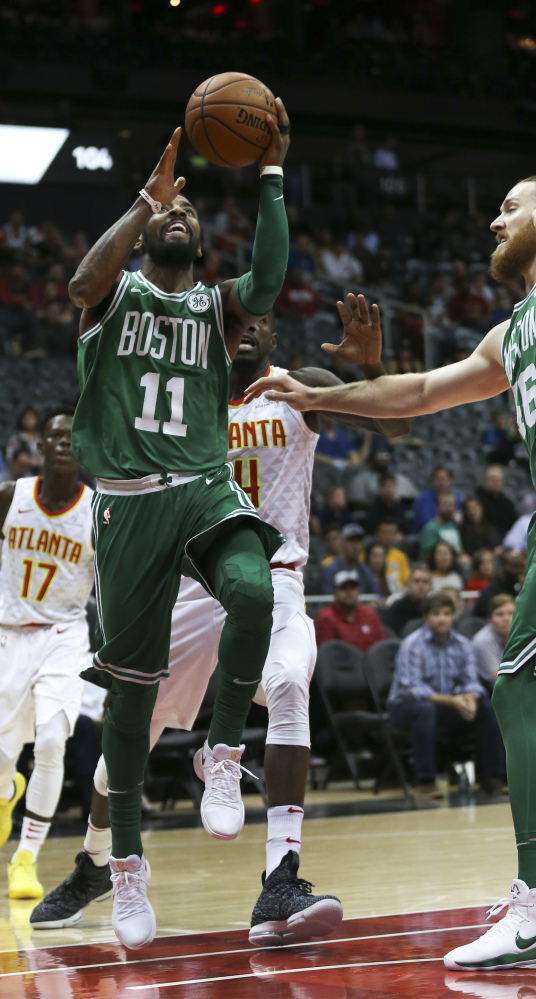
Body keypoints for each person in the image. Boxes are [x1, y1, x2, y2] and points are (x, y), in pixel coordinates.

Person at [32, 298, 408, 941]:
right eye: (238, 323)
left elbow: (397, 427)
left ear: (273, 335)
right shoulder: (181, 401)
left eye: (262, 322)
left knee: (290, 681)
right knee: (130, 735)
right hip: (189, 584)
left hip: (276, 577)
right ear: (215, 335)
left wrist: (370, 374)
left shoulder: (299, 389)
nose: (251, 331)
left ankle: (279, 880)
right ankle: (96, 862)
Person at [243, 176, 536, 969]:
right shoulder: (514, 334)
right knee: (517, 690)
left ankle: (535, 902)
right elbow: (423, 393)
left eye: (512, 205)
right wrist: (325, 392)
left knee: (517, 689)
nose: (493, 216)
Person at [33, 113, 295, 951]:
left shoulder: (219, 309)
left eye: (188, 214)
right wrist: (146, 200)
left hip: (205, 486)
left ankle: (222, 751)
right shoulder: (116, 295)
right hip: (130, 503)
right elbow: (79, 284)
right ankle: (128, 871)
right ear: (149, 229)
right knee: (131, 694)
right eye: (166, 216)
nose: (180, 217)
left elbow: (269, 277)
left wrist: (272, 176)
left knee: (255, 589)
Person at [0, 412, 95, 900]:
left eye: (72, 435)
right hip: (7, 636)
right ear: (38, 445)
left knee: (53, 741)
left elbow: (110, 588)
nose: (63, 443)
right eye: (53, 435)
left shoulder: (99, 510)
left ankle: (25, 859)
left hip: (65, 634)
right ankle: (5, 794)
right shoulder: (9, 496)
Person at [388, 592, 506, 797]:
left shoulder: (463, 644)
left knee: (487, 705)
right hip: (406, 706)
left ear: (454, 616)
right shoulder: (412, 644)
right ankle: (425, 781)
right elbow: (413, 688)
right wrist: (454, 701)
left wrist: (469, 699)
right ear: (426, 617)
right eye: (436, 614)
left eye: (446, 613)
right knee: (424, 709)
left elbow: (471, 681)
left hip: (446, 706)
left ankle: (492, 777)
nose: (442, 618)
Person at [314, 571, 386, 651]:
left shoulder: (370, 615)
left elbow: (381, 648)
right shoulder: (325, 618)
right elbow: (326, 654)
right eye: (343, 588)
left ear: (358, 591)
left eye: (352, 588)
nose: (349, 592)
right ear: (334, 592)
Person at [319, 524, 378, 595]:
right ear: (341, 543)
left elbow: (376, 596)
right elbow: (327, 599)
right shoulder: (329, 570)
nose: (356, 546)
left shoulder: (365, 571)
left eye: (358, 541)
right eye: (351, 540)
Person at [472, 595, 515, 691]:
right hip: (491, 690)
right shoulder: (482, 641)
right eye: (500, 614)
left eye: (511, 613)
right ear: (489, 619)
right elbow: (498, 678)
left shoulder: (525, 634)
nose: (506, 618)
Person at [381, 566, 433, 636]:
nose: (421, 585)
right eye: (416, 581)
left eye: (425, 582)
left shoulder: (434, 607)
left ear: (431, 586)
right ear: (408, 585)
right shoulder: (398, 608)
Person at [474, 550, 526, 618]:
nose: (519, 571)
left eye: (521, 567)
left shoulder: (520, 587)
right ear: (503, 566)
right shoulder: (490, 592)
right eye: (515, 567)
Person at [411, 467, 463, 533]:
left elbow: (459, 520)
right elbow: (425, 524)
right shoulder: (422, 499)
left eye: (444, 479)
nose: (441, 483)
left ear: (450, 481)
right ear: (432, 482)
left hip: (451, 534)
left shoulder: (457, 497)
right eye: (438, 479)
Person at [417, 492, 464, 560]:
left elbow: (459, 550)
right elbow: (428, 557)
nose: (449, 508)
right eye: (445, 504)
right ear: (437, 507)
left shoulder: (454, 528)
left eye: (451, 505)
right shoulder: (430, 528)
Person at [370, 518, 410, 595]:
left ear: (396, 534)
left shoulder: (401, 556)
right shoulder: (368, 554)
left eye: (391, 532)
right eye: (385, 532)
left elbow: (407, 581)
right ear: (377, 533)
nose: (388, 536)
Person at [476, 465, 517, 537]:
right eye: (492, 479)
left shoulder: (508, 504)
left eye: (498, 479)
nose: (495, 482)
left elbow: (513, 528)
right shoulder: (476, 502)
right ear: (483, 481)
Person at [6, 406, 43, 472]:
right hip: (24, 471)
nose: (29, 421)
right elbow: (11, 458)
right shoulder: (16, 439)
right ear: (21, 420)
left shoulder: (42, 438)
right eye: (26, 418)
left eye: (32, 418)